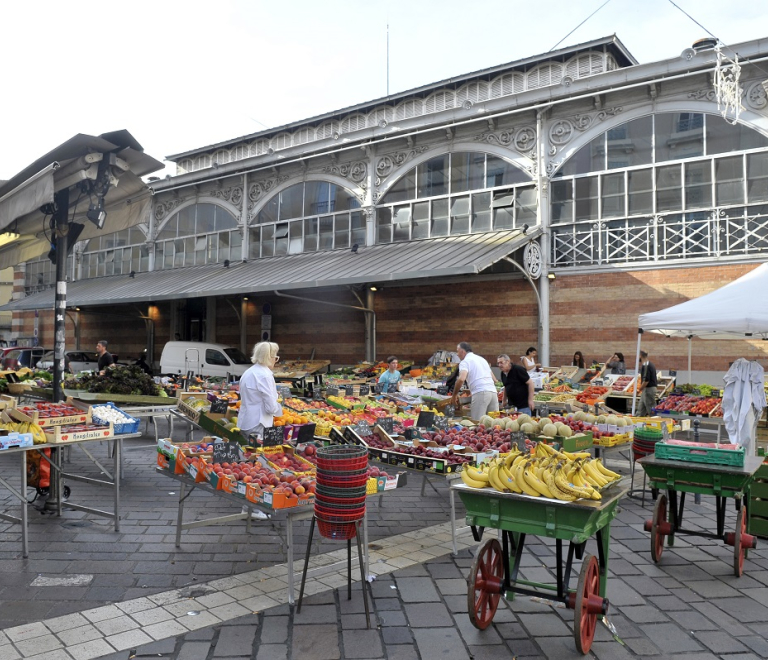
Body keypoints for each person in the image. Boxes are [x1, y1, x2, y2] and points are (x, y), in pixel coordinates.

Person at [238, 341, 283, 521]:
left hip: (245, 422)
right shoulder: (265, 375)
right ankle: (254, 507)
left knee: (250, 462)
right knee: (260, 465)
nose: (276, 360)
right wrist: (280, 407)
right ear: (269, 357)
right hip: (259, 424)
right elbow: (271, 406)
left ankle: (247, 504)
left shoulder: (248, 372)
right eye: (275, 356)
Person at [451, 342, 498, 419]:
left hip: (481, 393)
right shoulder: (482, 359)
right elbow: (494, 379)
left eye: (457, 351)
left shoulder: (465, 362)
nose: (457, 354)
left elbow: (461, 379)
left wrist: (454, 395)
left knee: (477, 423)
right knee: (494, 423)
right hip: (493, 393)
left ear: (462, 351)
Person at [637, 350, 658, 416]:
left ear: (640, 356)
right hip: (646, 390)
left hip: (649, 390)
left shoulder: (646, 366)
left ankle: (655, 422)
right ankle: (637, 421)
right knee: (641, 408)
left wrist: (639, 389)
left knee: (651, 409)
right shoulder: (650, 364)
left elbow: (646, 380)